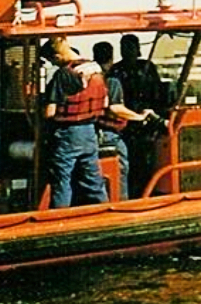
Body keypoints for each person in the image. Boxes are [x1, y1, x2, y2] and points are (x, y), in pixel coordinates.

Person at [40, 35, 109, 208]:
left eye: (52, 61)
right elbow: (106, 102)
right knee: (93, 179)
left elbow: (50, 112)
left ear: (57, 57)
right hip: (90, 131)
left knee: (61, 179)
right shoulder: (94, 68)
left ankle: (59, 219)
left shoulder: (63, 74)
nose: (54, 65)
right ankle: (104, 212)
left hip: (68, 133)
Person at [93, 41, 153, 200]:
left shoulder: (93, 78)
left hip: (101, 130)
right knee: (121, 168)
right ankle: (122, 201)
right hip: (113, 130)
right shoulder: (112, 78)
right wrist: (139, 117)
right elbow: (115, 107)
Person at [109, 33, 164, 197]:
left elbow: (158, 91)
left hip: (147, 120)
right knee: (130, 161)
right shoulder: (116, 70)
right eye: (123, 47)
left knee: (148, 161)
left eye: (130, 47)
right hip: (126, 123)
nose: (126, 51)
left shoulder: (147, 67)